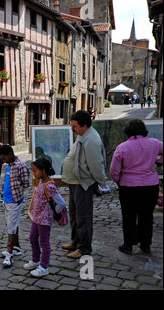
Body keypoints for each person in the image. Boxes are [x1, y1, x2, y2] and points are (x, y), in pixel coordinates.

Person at [110, 119, 163, 255]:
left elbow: (114, 170)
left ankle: (128, 245)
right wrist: (158, 164)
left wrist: (117, 180)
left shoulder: (122, 148)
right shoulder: (155, 143)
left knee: (129, 215)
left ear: (128, 131)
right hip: (150, 185)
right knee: (147, 215)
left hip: (129, 186)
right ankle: (145, 244)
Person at [61, 110, 107, 259]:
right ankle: (75, 242)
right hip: (75, 183)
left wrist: (101, 182)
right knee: (74, 215)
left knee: (83, 217)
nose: (72, 129)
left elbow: (96, 164)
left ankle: (84, 248)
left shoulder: (91, 140)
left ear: (84, 126)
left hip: (83, 184)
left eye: (74, 126)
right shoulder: (83, 135)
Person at [23, 158, 66, 277]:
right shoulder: (41, 181)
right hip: (37, 218)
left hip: (44, 220)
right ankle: (35, 260)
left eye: (35, 171)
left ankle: (44, 266)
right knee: (32, 238)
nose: (33, 173)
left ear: (43, 171)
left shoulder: (49, 185)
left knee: (44, 242)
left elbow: (61, 202)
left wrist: (52, 214)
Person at [0, 144, 30, 267]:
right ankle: (16, 246)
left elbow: (26, 184)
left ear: (10, 155)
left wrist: (17, 192)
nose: (3, 161)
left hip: (14, 201)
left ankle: (9, 254)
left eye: (4, 158)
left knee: (11, 227)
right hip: (6, 200)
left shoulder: (21, 166)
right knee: (12, 223)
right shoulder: (10, 166)